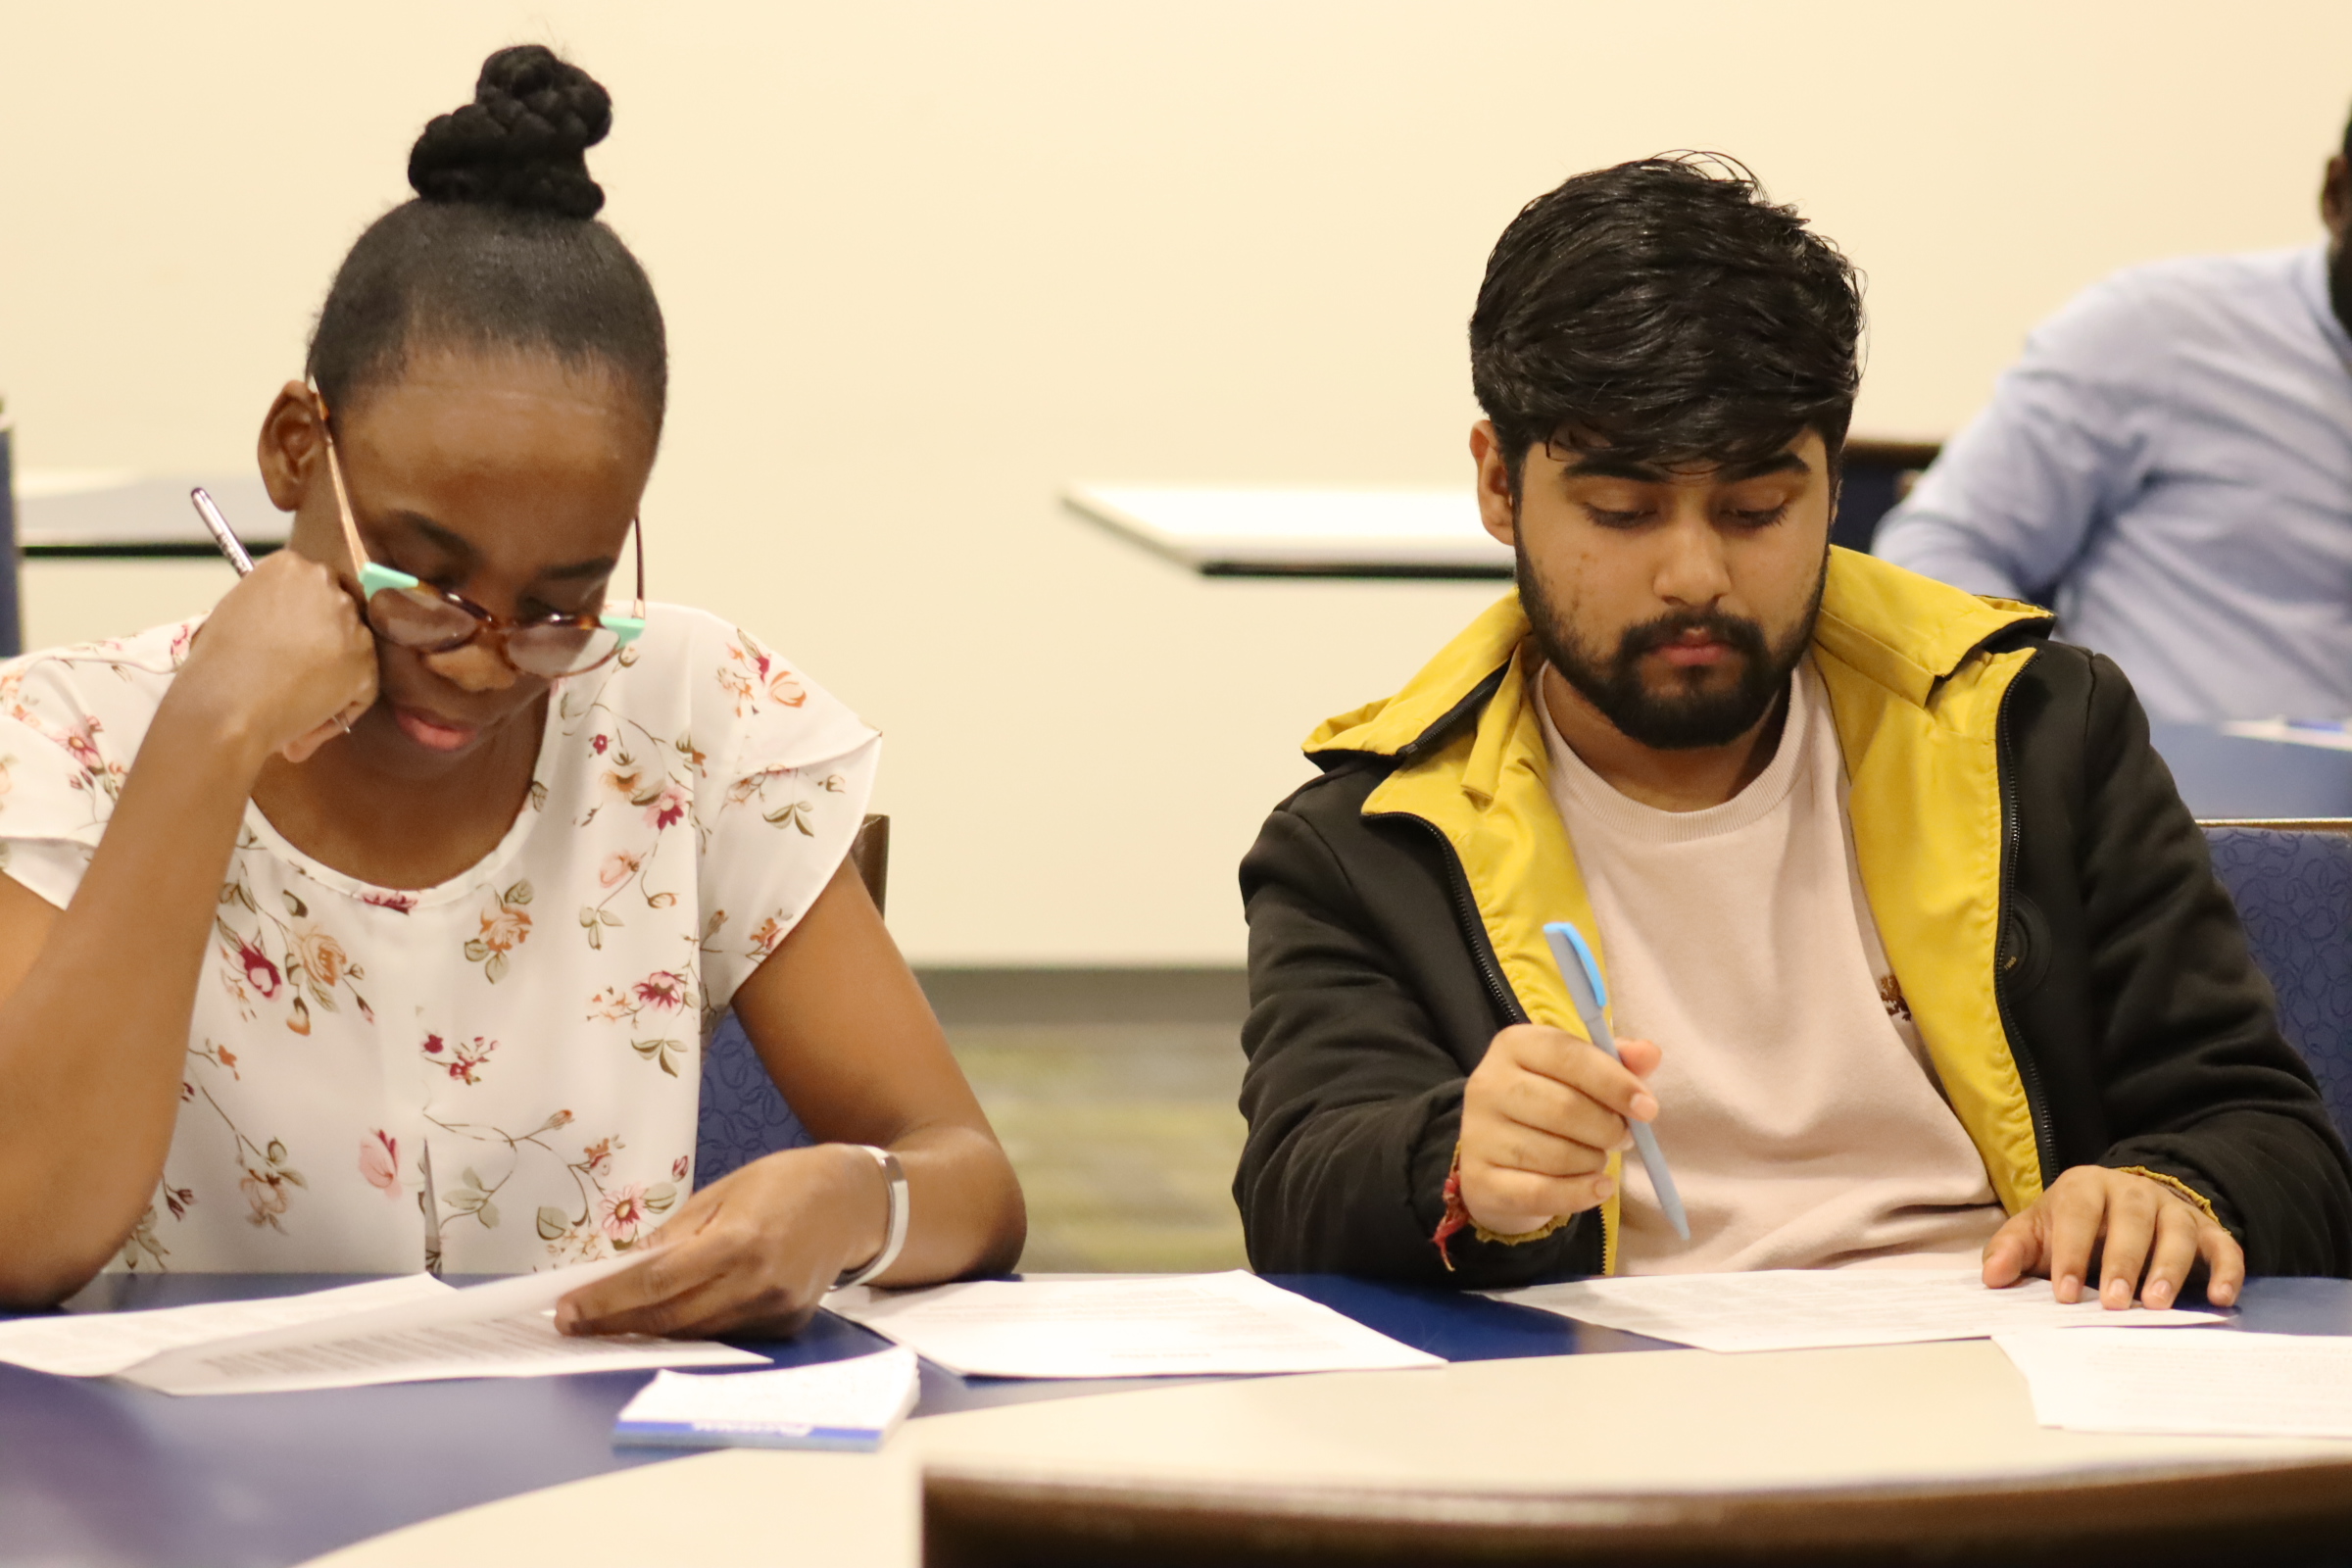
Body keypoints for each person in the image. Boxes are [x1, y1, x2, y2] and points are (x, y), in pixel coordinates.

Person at [0, 47, 1024, 1332]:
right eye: (425, 578)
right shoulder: (64, 744)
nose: (485, 656)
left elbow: (973, 1182)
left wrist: (861, 1201)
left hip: (593, 1442)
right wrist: (209, 732)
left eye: (559, 605)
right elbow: (20, 1232)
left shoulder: (690, 722)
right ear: (298, 449)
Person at [1234, 157, 2352, 1301]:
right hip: (1604, 1383)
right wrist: (1455, 1162)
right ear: (1499, 486)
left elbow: (2274, 1138)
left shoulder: (2034, 736)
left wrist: (2171, 1190)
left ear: (1831, 482)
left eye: (1757, 509)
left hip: (2006, 1361)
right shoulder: (1374, 836)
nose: (1694, 574)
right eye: (1622, 511)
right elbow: (1297, 1191)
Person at [1872, 119, 2352, 723]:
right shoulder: (2160, 333)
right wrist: (2066, 735)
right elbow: (1935, 546)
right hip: (2169, 774)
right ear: (2336, 194)